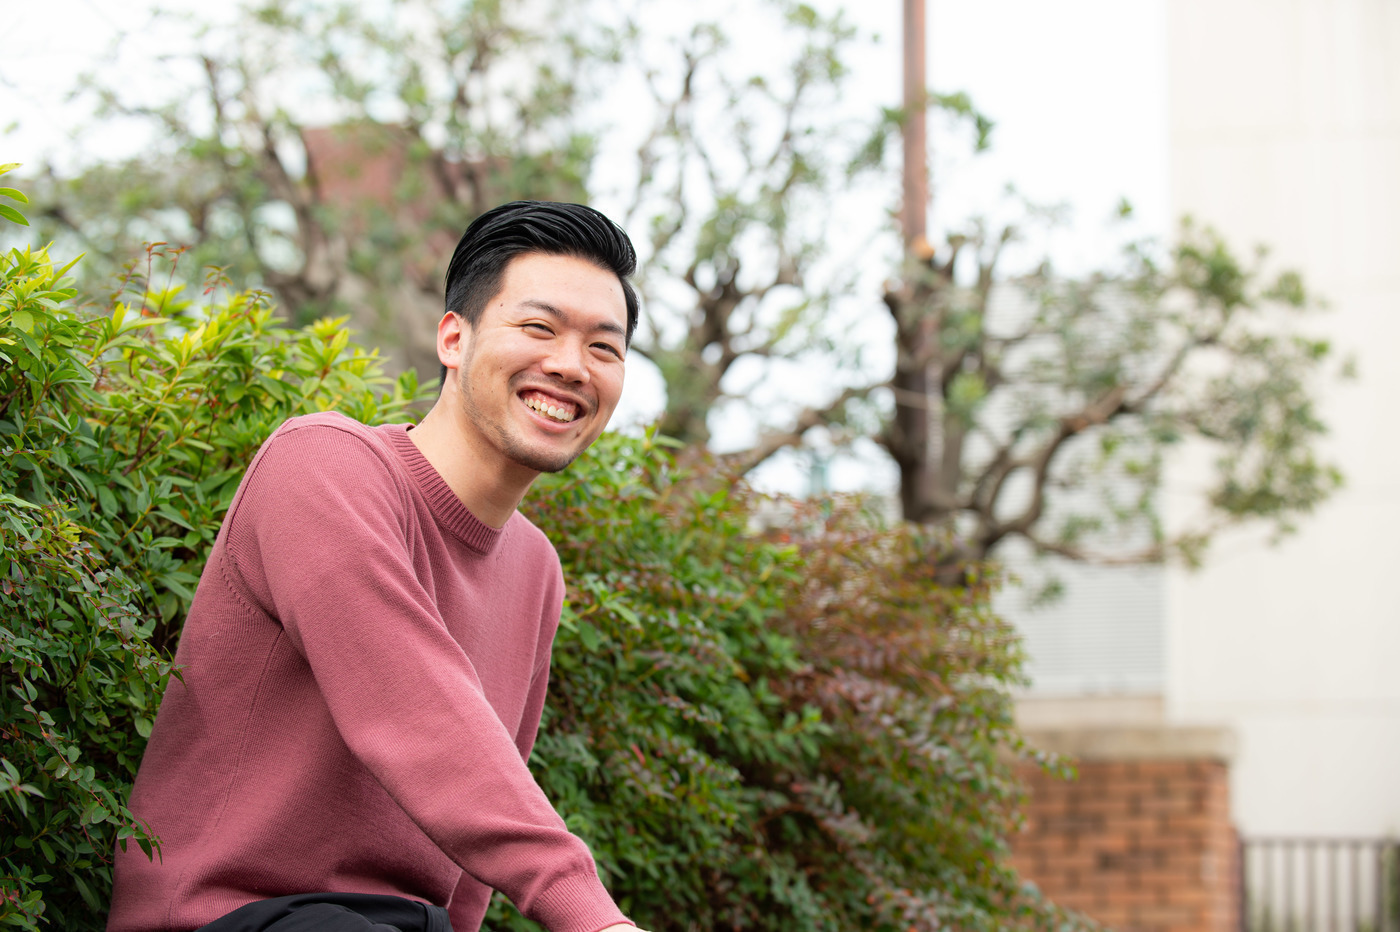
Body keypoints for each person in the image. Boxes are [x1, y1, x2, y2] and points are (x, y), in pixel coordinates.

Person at [108, 201, 650, 932]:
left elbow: (481, 809)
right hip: (240, 919)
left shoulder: (535, 569)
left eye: (604, 348)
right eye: (538, 327)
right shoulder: (323, 466)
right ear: (453, 338)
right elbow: (414, 710)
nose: (569, 364)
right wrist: (592, 915)